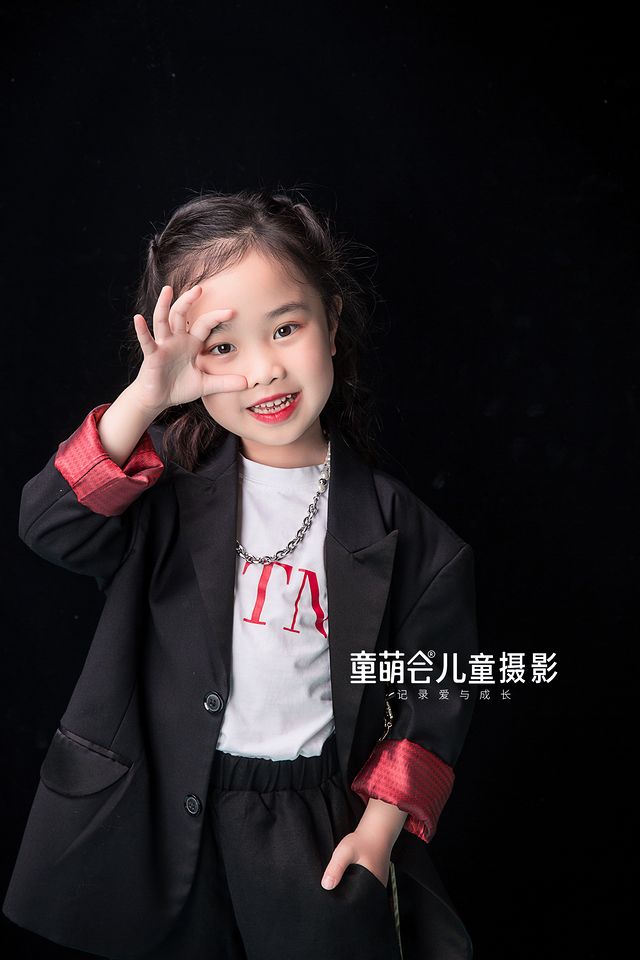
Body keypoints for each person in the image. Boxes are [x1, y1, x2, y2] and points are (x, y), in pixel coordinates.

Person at [2, 188, 479, 960]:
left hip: (313, 825)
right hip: (155, 811)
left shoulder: (413, 537)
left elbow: (438, 694)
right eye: (222, 347)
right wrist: (145, 399)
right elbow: (49, 525)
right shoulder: (163, 486)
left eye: (286, 328)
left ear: (331, 321)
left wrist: (376, 835)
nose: (263, 371)